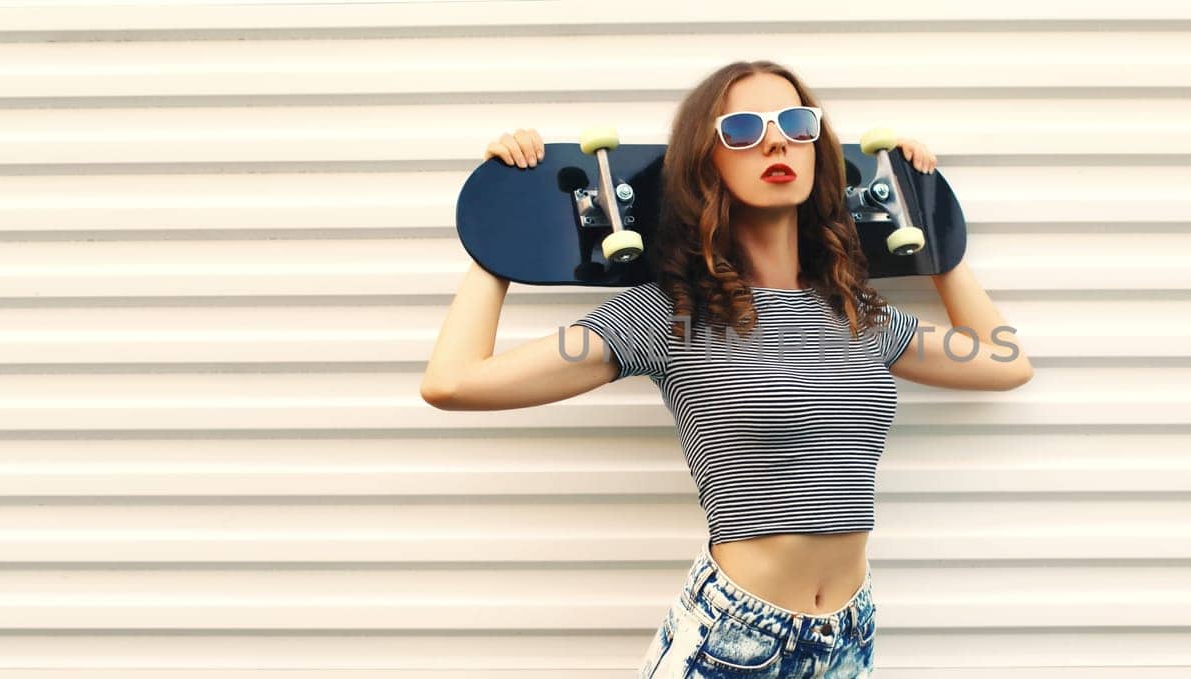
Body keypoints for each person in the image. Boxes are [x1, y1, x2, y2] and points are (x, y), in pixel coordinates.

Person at [421, 60, 1032, 678]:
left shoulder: (858, 315)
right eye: (742, 128)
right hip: (733, 641)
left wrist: (934, 230)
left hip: (850, 636)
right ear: (706, 160)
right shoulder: (667, 316)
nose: (776, 141)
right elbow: (452, 382)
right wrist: (500, 233)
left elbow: (1005, 361)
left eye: (798, 125)